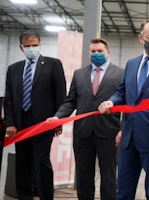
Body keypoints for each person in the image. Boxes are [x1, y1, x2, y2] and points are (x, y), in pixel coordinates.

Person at [98, 18, 149, 200]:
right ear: (140, 38)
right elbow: (121, 92)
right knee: (123, 191)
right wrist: (111, 102)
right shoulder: (131, 64)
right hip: (129, 137)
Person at [46, 38, 124, 200]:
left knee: (109, 176)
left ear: (108, 53)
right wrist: (57, 117)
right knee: (83, 176)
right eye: (93, 51)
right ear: (89, 53)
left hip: (109, 132)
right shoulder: (79, 74)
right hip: (83, 133)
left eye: (100, 51)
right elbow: (70, 102)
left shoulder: (120, 74)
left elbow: (127, 102)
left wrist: (124, 129)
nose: (96, 54)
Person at [4, 30, 67, 200]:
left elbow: (61, 95)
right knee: (22, 163)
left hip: (43, 123)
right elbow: (8, 99)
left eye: (34, 45)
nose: (31, 48)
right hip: (20, 123)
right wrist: (9, 123)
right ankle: (25, 196)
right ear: (21, 47)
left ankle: (46, 196)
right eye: (27, 46)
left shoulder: (53, 65)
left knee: (41, 162)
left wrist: (58, 121)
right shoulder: (13, 69)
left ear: (40, 45)